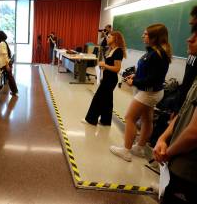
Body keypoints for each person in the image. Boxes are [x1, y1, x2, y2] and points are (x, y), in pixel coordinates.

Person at [110, 24, 172, 162]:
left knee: (129, 118)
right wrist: (135, 76)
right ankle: (139, 147)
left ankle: (126, 150)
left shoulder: (157, 54)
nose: (142, 36)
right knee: (146, 119)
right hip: (150, 92)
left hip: (148, 93)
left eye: (146, 34)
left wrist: (135, 82)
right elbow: (147, 72)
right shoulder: (153, 51)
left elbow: (152, 79)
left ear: (154, 37)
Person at [153, 24, 197, 204]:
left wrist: (167, 153)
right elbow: (185, 110)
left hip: (189, 171)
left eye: (196, 35)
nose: (189, 39)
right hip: (177, 166)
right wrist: (163, 138)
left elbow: (194, 133)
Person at [83, 31, 126, 126]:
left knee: (98, 99)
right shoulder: (112, 50)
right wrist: (104, 67)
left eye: (109, 37)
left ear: (115, 39)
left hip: (111, 79)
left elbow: (117, 69)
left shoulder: (118, 51)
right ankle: (105, 121)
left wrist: (105, 65)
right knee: (107, 101)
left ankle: (91, 120)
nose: (107, 38)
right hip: (107, 78)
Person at [0, 30, 19, 96]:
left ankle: (14, 91)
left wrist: (7, 65)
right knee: (10, 77)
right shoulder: (3, 42)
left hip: (4, 64)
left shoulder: (2, 43)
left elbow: (5, 55)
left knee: (10, 78)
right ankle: (14, 91)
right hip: (5, 63)